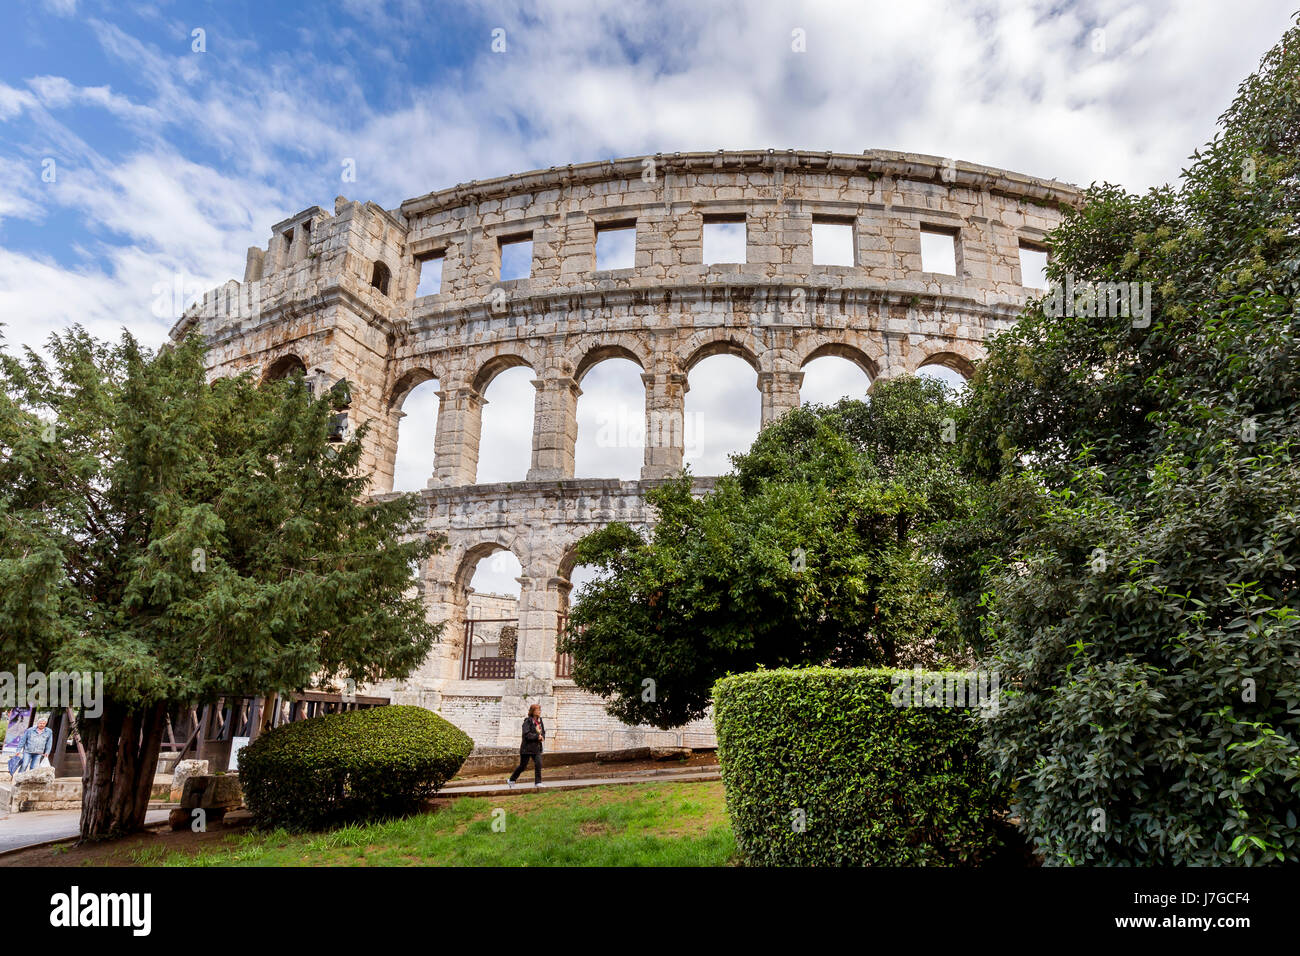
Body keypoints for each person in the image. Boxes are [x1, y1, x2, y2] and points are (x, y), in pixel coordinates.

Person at [506, 704, 545, 787]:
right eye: (538, 710)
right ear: (533, 711)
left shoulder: (540, 721)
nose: (539, 711)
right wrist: (537, 737)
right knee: (523, 766)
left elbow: (543, 732)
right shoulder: (527, 721)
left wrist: (542, 737)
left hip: (536, 748)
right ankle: (511, 780)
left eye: (540, 710)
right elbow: (526, 734)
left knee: (538, 763)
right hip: (527, 748)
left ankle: (538, 782)